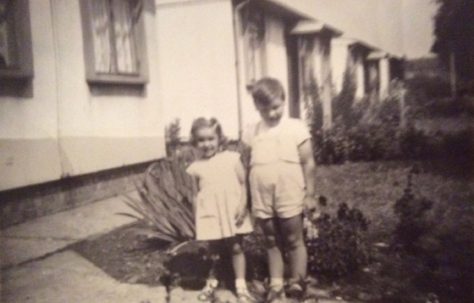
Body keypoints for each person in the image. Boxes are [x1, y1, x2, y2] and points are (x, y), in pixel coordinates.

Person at [242, 77, 317, 302]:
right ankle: (276, 286)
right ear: (257, 107)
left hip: (289, 190)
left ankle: (297, 284)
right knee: (271, 240)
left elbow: (309, 162)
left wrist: (310, 194)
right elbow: (245, 165)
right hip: (262, 193)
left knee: (294, 239)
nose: (272, 114)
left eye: (276, 107)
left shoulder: (295, 127)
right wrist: (245, 198)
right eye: (265, 109)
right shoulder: (251, 131)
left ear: (283, 101)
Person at [186, 117, 256, 303]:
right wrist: (196, 218)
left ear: (219, 139)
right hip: (210, 214)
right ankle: (212, 282)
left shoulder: (232, 159)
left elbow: (243, 184)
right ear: (195, 142)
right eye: (201, 140)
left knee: (236, 247)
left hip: (232, 212)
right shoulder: (194, 168)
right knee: (214, 251)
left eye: (211, 139)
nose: (206, 144)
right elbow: (195, 195)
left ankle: (241, 287)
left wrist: (243, 205)